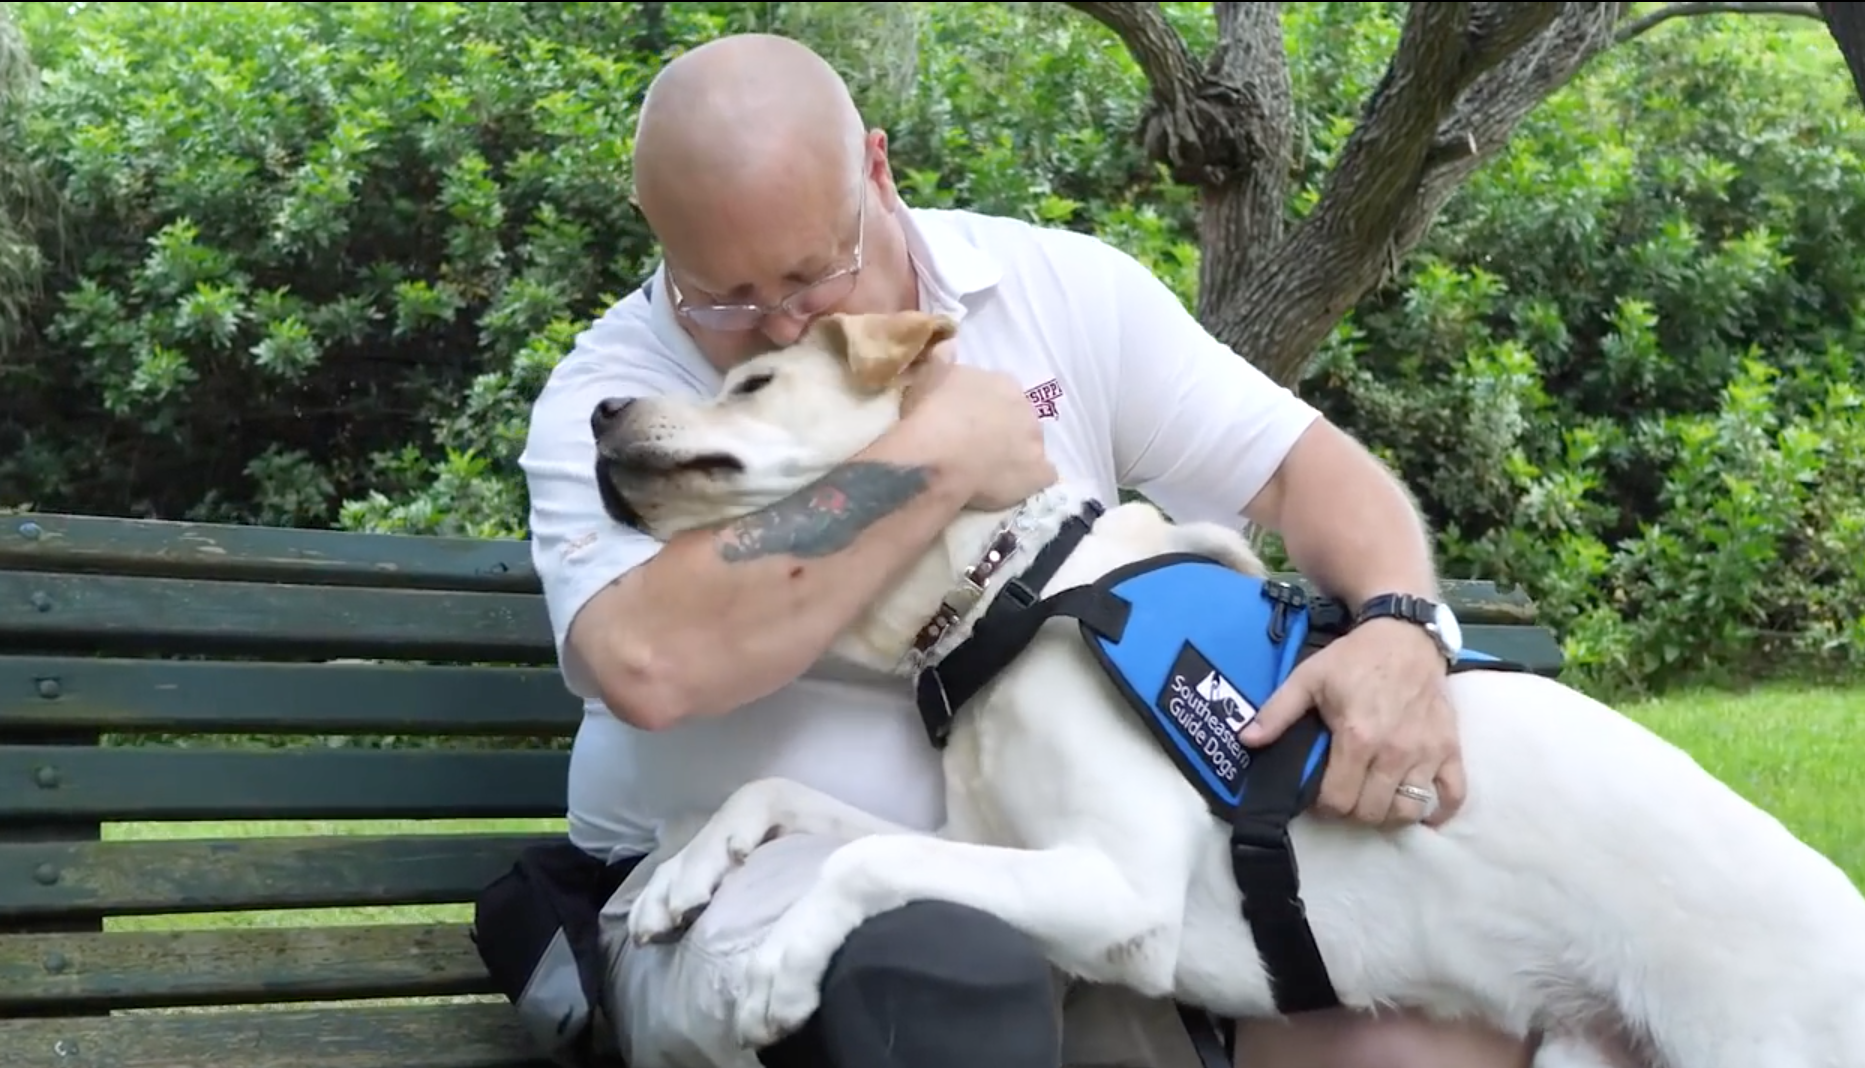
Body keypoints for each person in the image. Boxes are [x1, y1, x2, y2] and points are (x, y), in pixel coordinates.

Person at [518, 30, 1542, 1068]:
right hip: (761, 883)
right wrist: (934, 461)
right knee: (946, 967)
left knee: (1426, 1033)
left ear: (876, 169)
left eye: (810, 274)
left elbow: (1299, 471)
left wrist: (1401, 625)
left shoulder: (1051, 288)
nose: (782, 329)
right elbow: (653, 662)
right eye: (726, 299)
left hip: (1082, 867)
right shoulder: (622, 404)